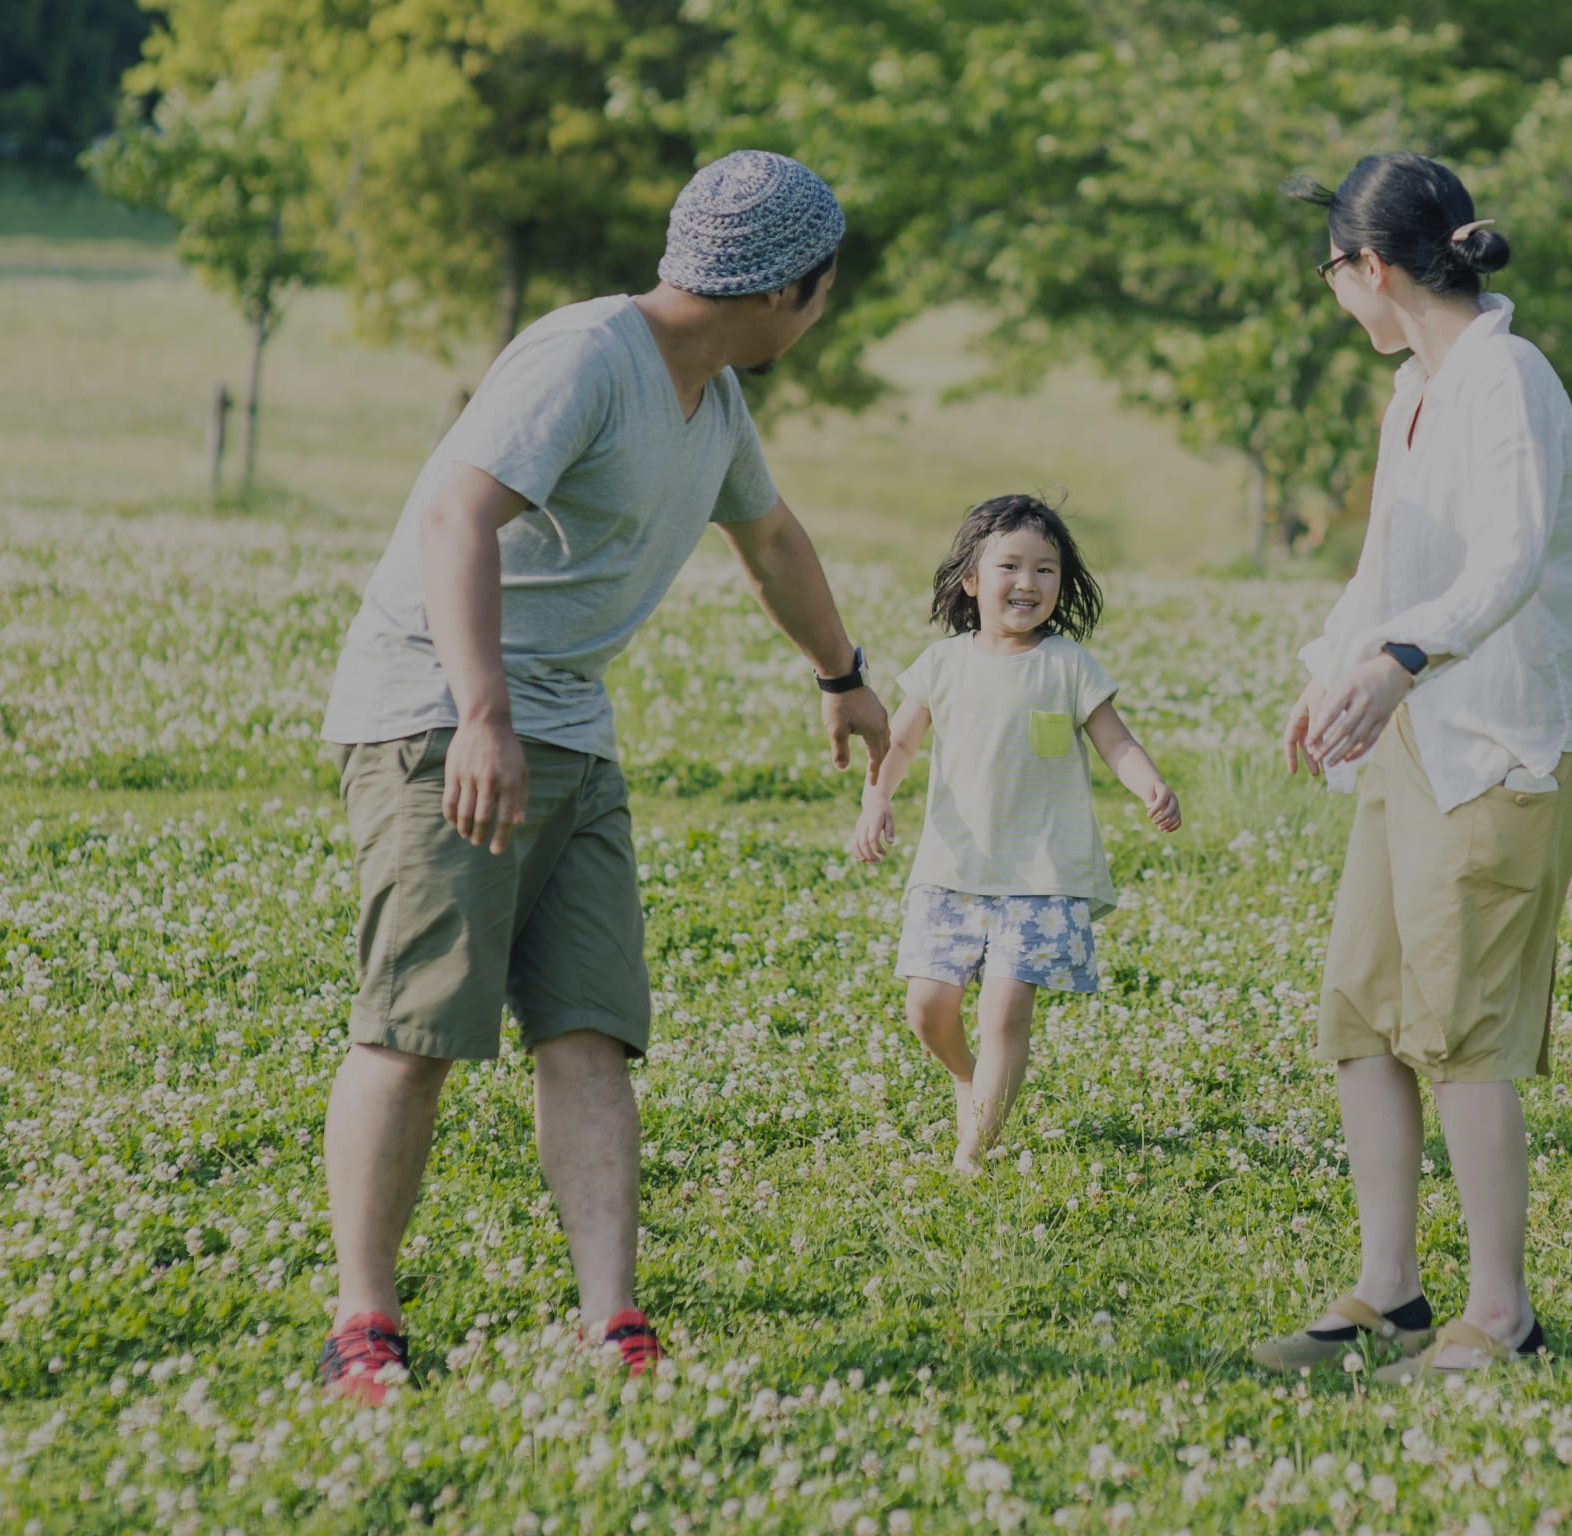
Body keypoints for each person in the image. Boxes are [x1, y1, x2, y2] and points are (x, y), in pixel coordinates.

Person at [310, 150, 890, 1404]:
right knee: (416, 1025)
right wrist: (482, 714)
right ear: (787, 287)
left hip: (569, 727)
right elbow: (457, 516)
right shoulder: (582, 356)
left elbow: (769, 538)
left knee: (589, 1028)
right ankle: (363, 1322)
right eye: (827, 286)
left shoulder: (711, 400)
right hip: (439, 716)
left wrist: (841, 673)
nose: (824, 309)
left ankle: (609, 1317)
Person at [1252, 153, 1572, 1383]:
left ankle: (1501, 1317)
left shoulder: (1505, 377)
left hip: (1507, 740)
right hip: (1417, 729)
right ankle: (1390, 1295)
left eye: (1330, 272)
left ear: (1370, 267)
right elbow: (1387, 566)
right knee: (1364, 1012)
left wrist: (1399, 660)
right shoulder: (1416, 390)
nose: (1333, 294)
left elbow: (1508, 559)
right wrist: (1338, 667)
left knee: (1463, 1029)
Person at [850, 495, 1182, 1176]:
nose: (1028, 582)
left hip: (1040, 873)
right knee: (927, 1008)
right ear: (972, 579)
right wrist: (876, 798)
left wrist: (1149, 782)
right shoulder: (942, 663)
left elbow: (1116, 742)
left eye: (1045, 569)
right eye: (1010, 566)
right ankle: (967, 1077)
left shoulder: (1068, 664)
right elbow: (899, 743)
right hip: (952, 867)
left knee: (1005, 1013)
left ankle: (975, 1145)